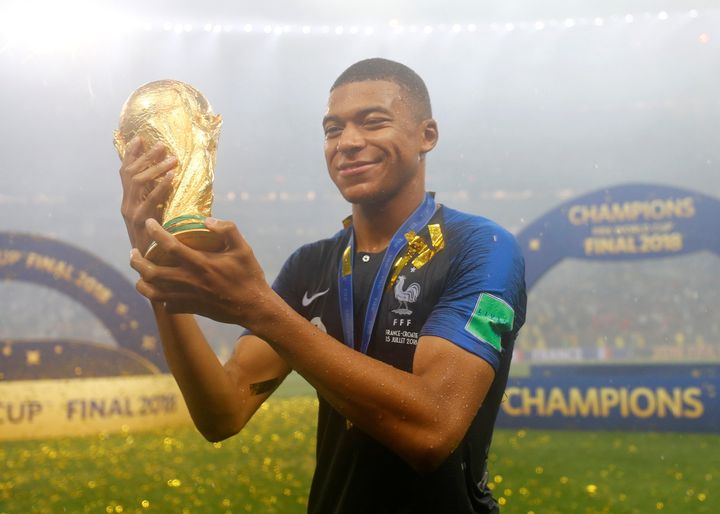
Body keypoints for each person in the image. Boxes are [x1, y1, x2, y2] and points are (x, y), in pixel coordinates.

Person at [119, 58, 526, 513]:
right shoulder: (310, 266)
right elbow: (222, 411)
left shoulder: (482, 248)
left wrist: (258, 307)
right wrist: (159, 272)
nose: (348, 142)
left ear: (426, 136)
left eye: (373, 122)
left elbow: (433, 429)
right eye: (333, 130)